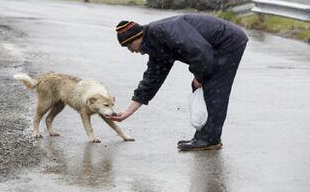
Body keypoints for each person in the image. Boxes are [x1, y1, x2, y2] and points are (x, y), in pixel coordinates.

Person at [106, 14, 248, 151]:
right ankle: (205, 137)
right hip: (214, 47)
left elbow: (200, 52)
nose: (131, 51)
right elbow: (152, 80)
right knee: (204, 88)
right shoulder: (155, 44)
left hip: (228, 42)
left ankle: (209, 140)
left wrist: (199, 77)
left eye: (129, 46)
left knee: (214, 89)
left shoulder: (164, 31)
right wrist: (127, 112)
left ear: (137, 37)